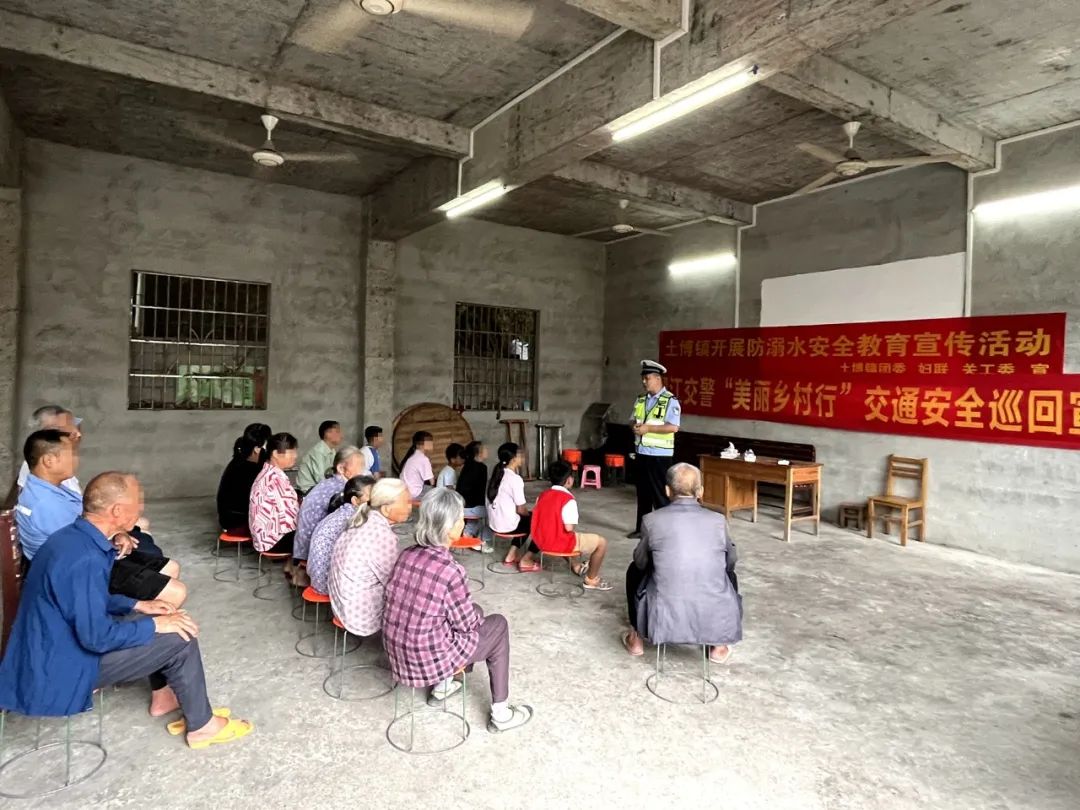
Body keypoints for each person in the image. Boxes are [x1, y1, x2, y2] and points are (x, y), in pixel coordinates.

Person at [0, 472, 254, 749]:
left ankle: (165, 698)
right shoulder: (85, 558)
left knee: (161, 615)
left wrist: (138, 605)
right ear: (117, 511)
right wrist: (154, 626)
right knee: (180, 636)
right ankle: (203, 727)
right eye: (137, 502)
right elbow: (96, 637)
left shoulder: (73, 538)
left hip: (52, 650)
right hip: (59, 668)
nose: (141, 508)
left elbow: (83, 600)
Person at [383, 488, 533, 733]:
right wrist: (477, 621)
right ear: (449, 527)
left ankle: (443, 687)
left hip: (398, 654)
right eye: (460, 518)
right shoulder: (450, 570)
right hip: (427, 661)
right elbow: (467, 626)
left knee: (475, 609)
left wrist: (474, 615)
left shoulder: (406, 554)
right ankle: (501, 714)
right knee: (498, 625)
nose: (463, 523)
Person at [15, 430, 186, 607]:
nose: (76, 459)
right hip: (75, 572)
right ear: (49, 461)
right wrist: (115, 535)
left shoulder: (49, 489)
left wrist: (117, 534)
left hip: (84, 555)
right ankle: (138, 618)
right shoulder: (44, 504)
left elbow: (84, 529)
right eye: (71, 454)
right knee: (175, 592)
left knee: (170, 567)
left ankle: (141, 610)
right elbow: (79, 548)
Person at [622, 463, 741, 663]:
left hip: (662, 613)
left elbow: (640, 562)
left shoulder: (652, 520)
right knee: (729, 574)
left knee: (634, 570)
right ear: (700, 491)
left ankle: (636, 639)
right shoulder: (718, 521)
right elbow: (731, 561)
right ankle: (719, 645)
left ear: (667, 490)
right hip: (710, 612)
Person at [328, 478, 411, 638]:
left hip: (340, 607)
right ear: (386, 509)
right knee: (413, 594)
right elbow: (394, 582)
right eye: (406, 502)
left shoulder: (362, 520)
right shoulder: (382, 536)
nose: (410, 507)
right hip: (359, 617)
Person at [531, 460, 613, 591]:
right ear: (569, 480)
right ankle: (591, 580)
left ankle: (576, 566)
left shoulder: (542, 495)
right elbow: (569, 528)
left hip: (541, 541)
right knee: (601, 543)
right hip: (558, 542)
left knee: (567, 536)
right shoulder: (568, 499)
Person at [628, 360, 682, 539]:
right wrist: (634, 426)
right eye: (643, 378)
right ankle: (641, 529)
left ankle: (663, 533)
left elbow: (673, 427)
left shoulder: (670, 400)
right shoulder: (640, 399)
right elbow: (632, 419)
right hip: (641, 453)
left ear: (658, 378)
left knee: (660, 495)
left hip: (660, 456)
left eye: (647, 378)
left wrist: (648, 428)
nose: (644, 382)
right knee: (642, 494)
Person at [294, 445, 369, 563]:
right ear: (341, 468)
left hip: (301, 546)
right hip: (314, 549)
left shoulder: (327, 483)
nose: (362, 472)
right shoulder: (342, 490)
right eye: (359, 466)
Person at [307, 475, 375, 595]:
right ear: (355, 501)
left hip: (317, 579)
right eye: (371, 499)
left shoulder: (343, 512)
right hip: (328, 584)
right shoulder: (354, 520)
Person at [249, 432, 302, 582]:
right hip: (271, 541)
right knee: (313, 533)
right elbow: (292, 519)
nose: (295, 456)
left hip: (263, 537)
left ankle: (290, 566)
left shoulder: (268, 472)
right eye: (292, 452)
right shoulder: (275, 479)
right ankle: (299, 573)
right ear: (276, 454)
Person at [488, 442, 540, 572]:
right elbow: (521, 509)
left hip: (493, 523)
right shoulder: (515, 479)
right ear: (513, 459)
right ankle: (524, 558)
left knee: (528, 518)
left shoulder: (495, 475)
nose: (522, 457)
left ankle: (511, 554)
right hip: (508, 526)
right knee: (539, 521)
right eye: (520, 455)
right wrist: (532, 516)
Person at [15, 405, 83, 494]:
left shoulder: (64, 467)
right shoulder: (36, 469)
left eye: (74, 426)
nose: (77, 434)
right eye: (63, 429)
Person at [216, 435, 263, 532]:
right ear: (256, 450)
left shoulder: (235, 463)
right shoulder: (250, 469)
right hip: (238, 522)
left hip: (227, 519)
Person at [457, 441, 492, 550]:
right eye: (485, 449)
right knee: (492, 514)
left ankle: (469, 533)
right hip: (472, 508)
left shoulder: (467, 465)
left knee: (479, 515)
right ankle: (481, 540)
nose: (487, 450)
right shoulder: (482, 468)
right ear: (479, 453)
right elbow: (480, 492)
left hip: (460, 506)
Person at [296, 420, 343, 494]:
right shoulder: (318, 452)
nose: (341, 435)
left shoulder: (332, 451)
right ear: (327, 434)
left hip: (320, 489)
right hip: (308, 492)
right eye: (337, 431)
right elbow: (320, 479)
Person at [400, 431, 435, 499]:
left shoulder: (412, 457)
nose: (432, 444)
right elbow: (432, 482)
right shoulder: (424, 459)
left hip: (405, 491)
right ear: (420, 445)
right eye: (430, 442)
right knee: (435, 493)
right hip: (414, 494)